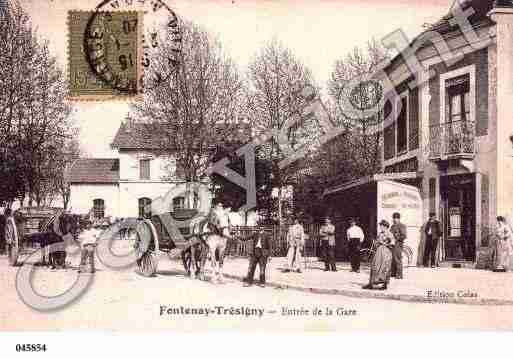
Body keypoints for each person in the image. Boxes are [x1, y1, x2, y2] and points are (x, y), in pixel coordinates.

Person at [363, 220, 394, 290]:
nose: (380, 227)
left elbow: (392, 244)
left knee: (385, 267)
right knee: (374, 266)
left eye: (382, 226)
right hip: (379, 252)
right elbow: (377, 242)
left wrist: (384, 243)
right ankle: (371, 283)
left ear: (386, 226)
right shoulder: (380, 234)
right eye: (380, 226)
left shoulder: (390, 234)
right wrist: (376, 243)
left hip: (386, 252)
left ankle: (384, 285)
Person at [390, 212, 407, 279]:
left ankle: (399, 274)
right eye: (394, 218)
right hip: (392, 244)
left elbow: (404, 236)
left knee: (398, 259)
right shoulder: (392, 226)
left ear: (399, 219)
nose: (395, 219)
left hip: (398, 244)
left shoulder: (402, 226)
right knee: (393, 259)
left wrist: (397, 238)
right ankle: (393, 273)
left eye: (396, 218)